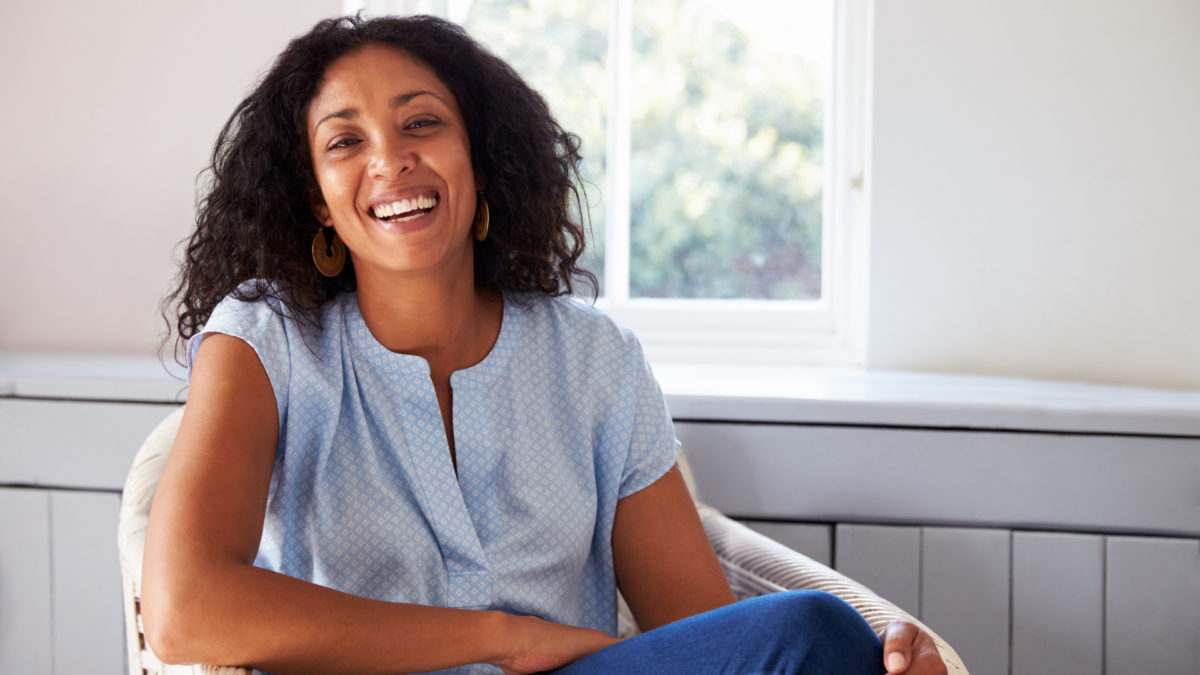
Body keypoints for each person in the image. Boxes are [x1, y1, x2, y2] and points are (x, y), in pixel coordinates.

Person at [143, 13, 947, 675]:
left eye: (422, 121)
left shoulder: (595, 361)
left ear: (482, 161)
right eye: (344, 142)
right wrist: (501, 634)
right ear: (316, 201)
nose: (391, 159)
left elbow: (705, 637)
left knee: (814, 633)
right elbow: (183, 610)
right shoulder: (264, 339)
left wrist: (867, 657)